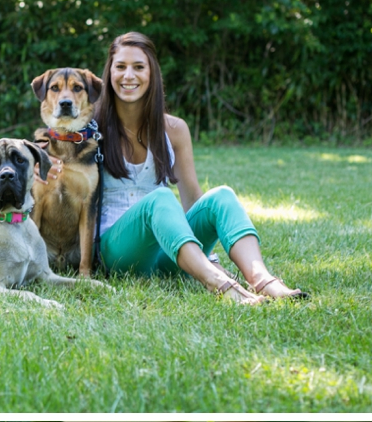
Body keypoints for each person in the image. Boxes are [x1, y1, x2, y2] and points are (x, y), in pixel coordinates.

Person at [90, 31, 307, 304]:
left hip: (168, 254)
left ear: (152, 73)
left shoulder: (175, 129)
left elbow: (192, 199)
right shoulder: (90, 129)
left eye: (138, 67)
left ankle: (264, 281)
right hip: (117, 253)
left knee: (221, 196)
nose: (128, 76)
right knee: (159, 198)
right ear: (109, 73)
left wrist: (210, 256)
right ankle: (223, 286)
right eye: (120, 67)